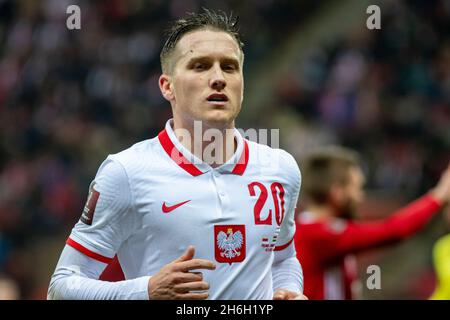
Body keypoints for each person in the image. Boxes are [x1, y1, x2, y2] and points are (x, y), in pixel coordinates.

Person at [47, 9, 304, 300]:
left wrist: (289, 291)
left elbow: (283, 259)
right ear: (167, 86)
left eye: (230, 67)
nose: (218, 78)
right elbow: (62, 286)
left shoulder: (280, 169)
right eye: (200, 66)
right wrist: (146, 291)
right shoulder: (127, 172)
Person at [294, 146, 450, 300]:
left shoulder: (322, 233)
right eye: (357, 188)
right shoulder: (317, 235)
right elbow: (392, 231)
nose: (360, 196)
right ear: (337, 193)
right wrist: (438, 196)